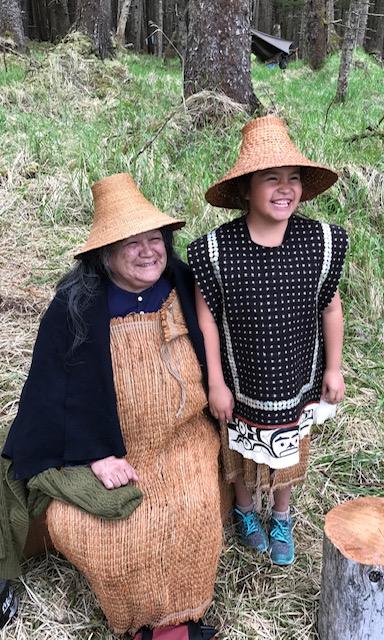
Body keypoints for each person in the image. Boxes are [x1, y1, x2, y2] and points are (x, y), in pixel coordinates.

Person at [2, 173, 224, 639]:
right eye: (132, 243)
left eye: (154, 239)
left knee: (193, 510)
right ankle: (136, 621)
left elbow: (224, 338)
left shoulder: (184, 284)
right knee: (106, 533)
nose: (149, 251)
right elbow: (52, 394)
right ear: (105, 254)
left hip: (183, 438)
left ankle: (181, 619)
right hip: (113, 449)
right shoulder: (75, 306)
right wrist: (94, 453)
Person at [188, 116, 348, 567]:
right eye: (271, 179)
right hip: (242, 378)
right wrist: (216, 382)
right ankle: (244, 509)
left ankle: (280, 514)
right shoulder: (217, 250)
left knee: (288, 451)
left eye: (293, 179)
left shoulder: (317, 241)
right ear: (245, 189)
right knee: (240, 447)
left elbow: (330, 308)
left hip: (296, 376)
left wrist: (333, 368)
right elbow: (207, 323)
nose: (285, 189)